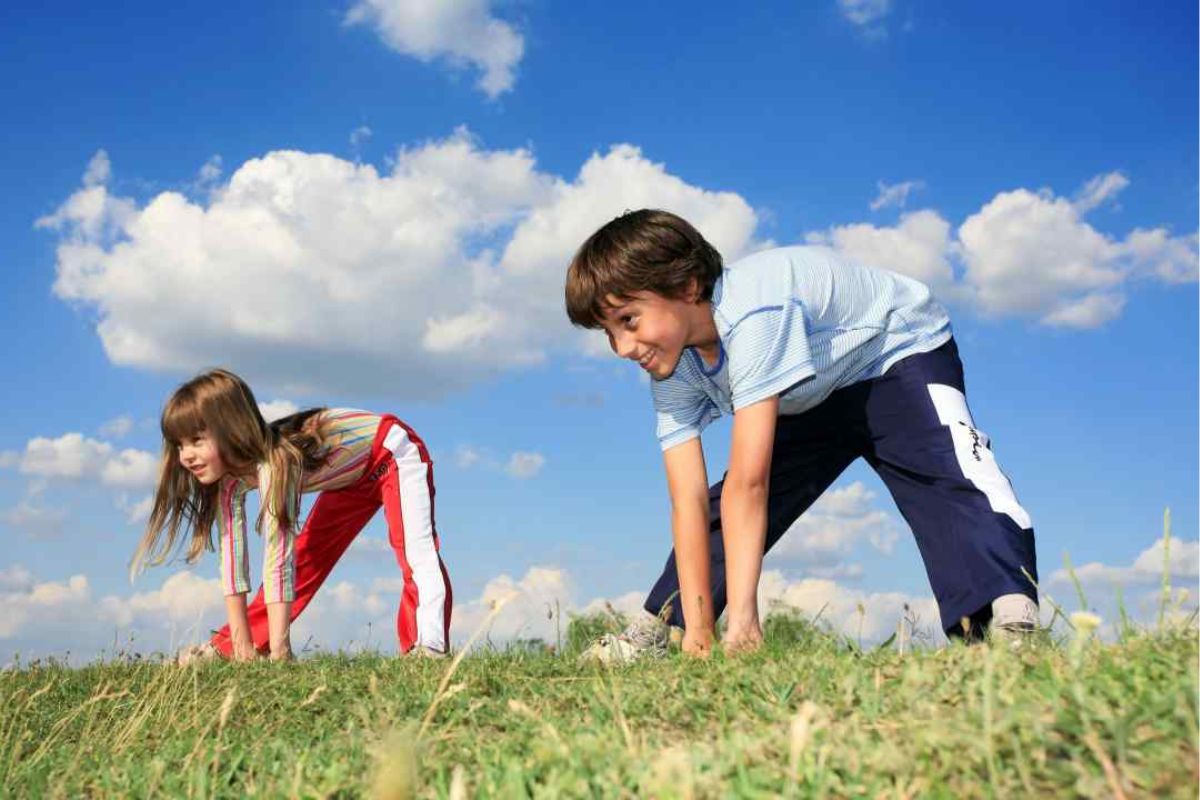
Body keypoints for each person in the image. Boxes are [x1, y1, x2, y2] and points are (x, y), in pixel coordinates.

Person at [564, 209, 1039, 660]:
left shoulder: (753, 315)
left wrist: (745, 621)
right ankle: (662, 628)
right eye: (609, 333)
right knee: (720, 507)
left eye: (628, 320)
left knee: (944, 467)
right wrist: (703, 631)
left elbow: (751, 484)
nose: (623, 348)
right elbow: (686, 501)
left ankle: (1005, 617)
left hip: (893, 354)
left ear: (688, 286)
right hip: (804, 393)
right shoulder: (672, 370)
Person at [131, 368, 452, 662]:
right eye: (179, 444)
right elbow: (233, 560)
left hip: (390, 453)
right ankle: (227, 648)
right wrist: (239, 643)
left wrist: (281, 650)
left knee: (414, 549)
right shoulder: (228, 482)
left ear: (230, 429)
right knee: (306, 559)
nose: (185, 455)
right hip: (348, 479)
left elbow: (277, 553)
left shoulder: (275, 463)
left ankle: (428, 646)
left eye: (196, 441)